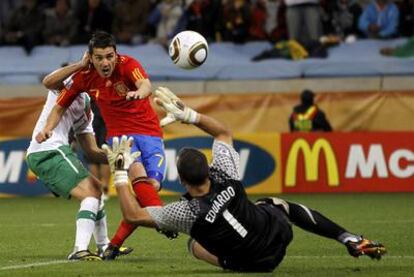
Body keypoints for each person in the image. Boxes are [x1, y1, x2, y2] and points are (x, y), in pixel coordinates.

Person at [103, 86, 386, 272]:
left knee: (194, 245)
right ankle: (348, 237)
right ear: (208, 169)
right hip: (278, 237)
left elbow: (134, 214)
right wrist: (190, 115)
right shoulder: (226, 175)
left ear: (184, 182)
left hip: (255, 265)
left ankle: (228, 262)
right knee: (276, 204)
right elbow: (224, 133)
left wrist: (119, 172)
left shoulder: (184, 212)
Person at [35, 30, 169, 260]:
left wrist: (139, 93)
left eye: (109, 56)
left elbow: (145, 84)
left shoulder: (128, 64)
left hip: (149, 132)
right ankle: (166, 222)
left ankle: (115, 243)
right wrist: (48, 127)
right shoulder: (84, 77)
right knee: (136, 171)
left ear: (115, 54)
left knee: (152, 187)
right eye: (99, 57)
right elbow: (59, 106)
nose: (105, 62)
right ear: (90, 57)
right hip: (119, 137)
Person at [26, 57, 110, 261]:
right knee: (91, 192)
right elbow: (47, 81)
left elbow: (91, 150)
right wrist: (81, 65)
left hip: (54, 151)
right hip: (47, 150)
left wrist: (115, 156)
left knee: (97, 189)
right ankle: (80, 249)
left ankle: (105, 246)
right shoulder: (64, 87)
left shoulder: (86, 105)